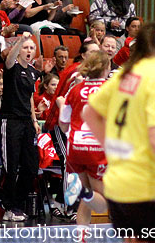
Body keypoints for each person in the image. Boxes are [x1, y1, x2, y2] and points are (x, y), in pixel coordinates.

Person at [84, 19, 155, 241]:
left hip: (119, 183)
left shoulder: (126, 74)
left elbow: (90, 113)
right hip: (150, 186)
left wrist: (117, 149)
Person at [58, 51, 110, 236]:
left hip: (76, 146)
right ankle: (82, 193)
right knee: (103, 199)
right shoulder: (109, 89)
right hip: (97, 148)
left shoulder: (75, 89)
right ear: (105, 68)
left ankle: (81, 238)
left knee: (87, 198)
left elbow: (63, 123)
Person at [0, 32, 41, 222]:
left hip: (27, 122)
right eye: (26, 48)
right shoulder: (12, 67)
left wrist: (33, 120)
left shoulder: (33, 72)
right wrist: (20, 41)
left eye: (31, 48)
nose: (28, 51)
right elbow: (9, 58)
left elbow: (30, 97)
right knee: (11, 165)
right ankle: (8, 206)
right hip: (10, 120)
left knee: (31, 166)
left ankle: (20, 203)